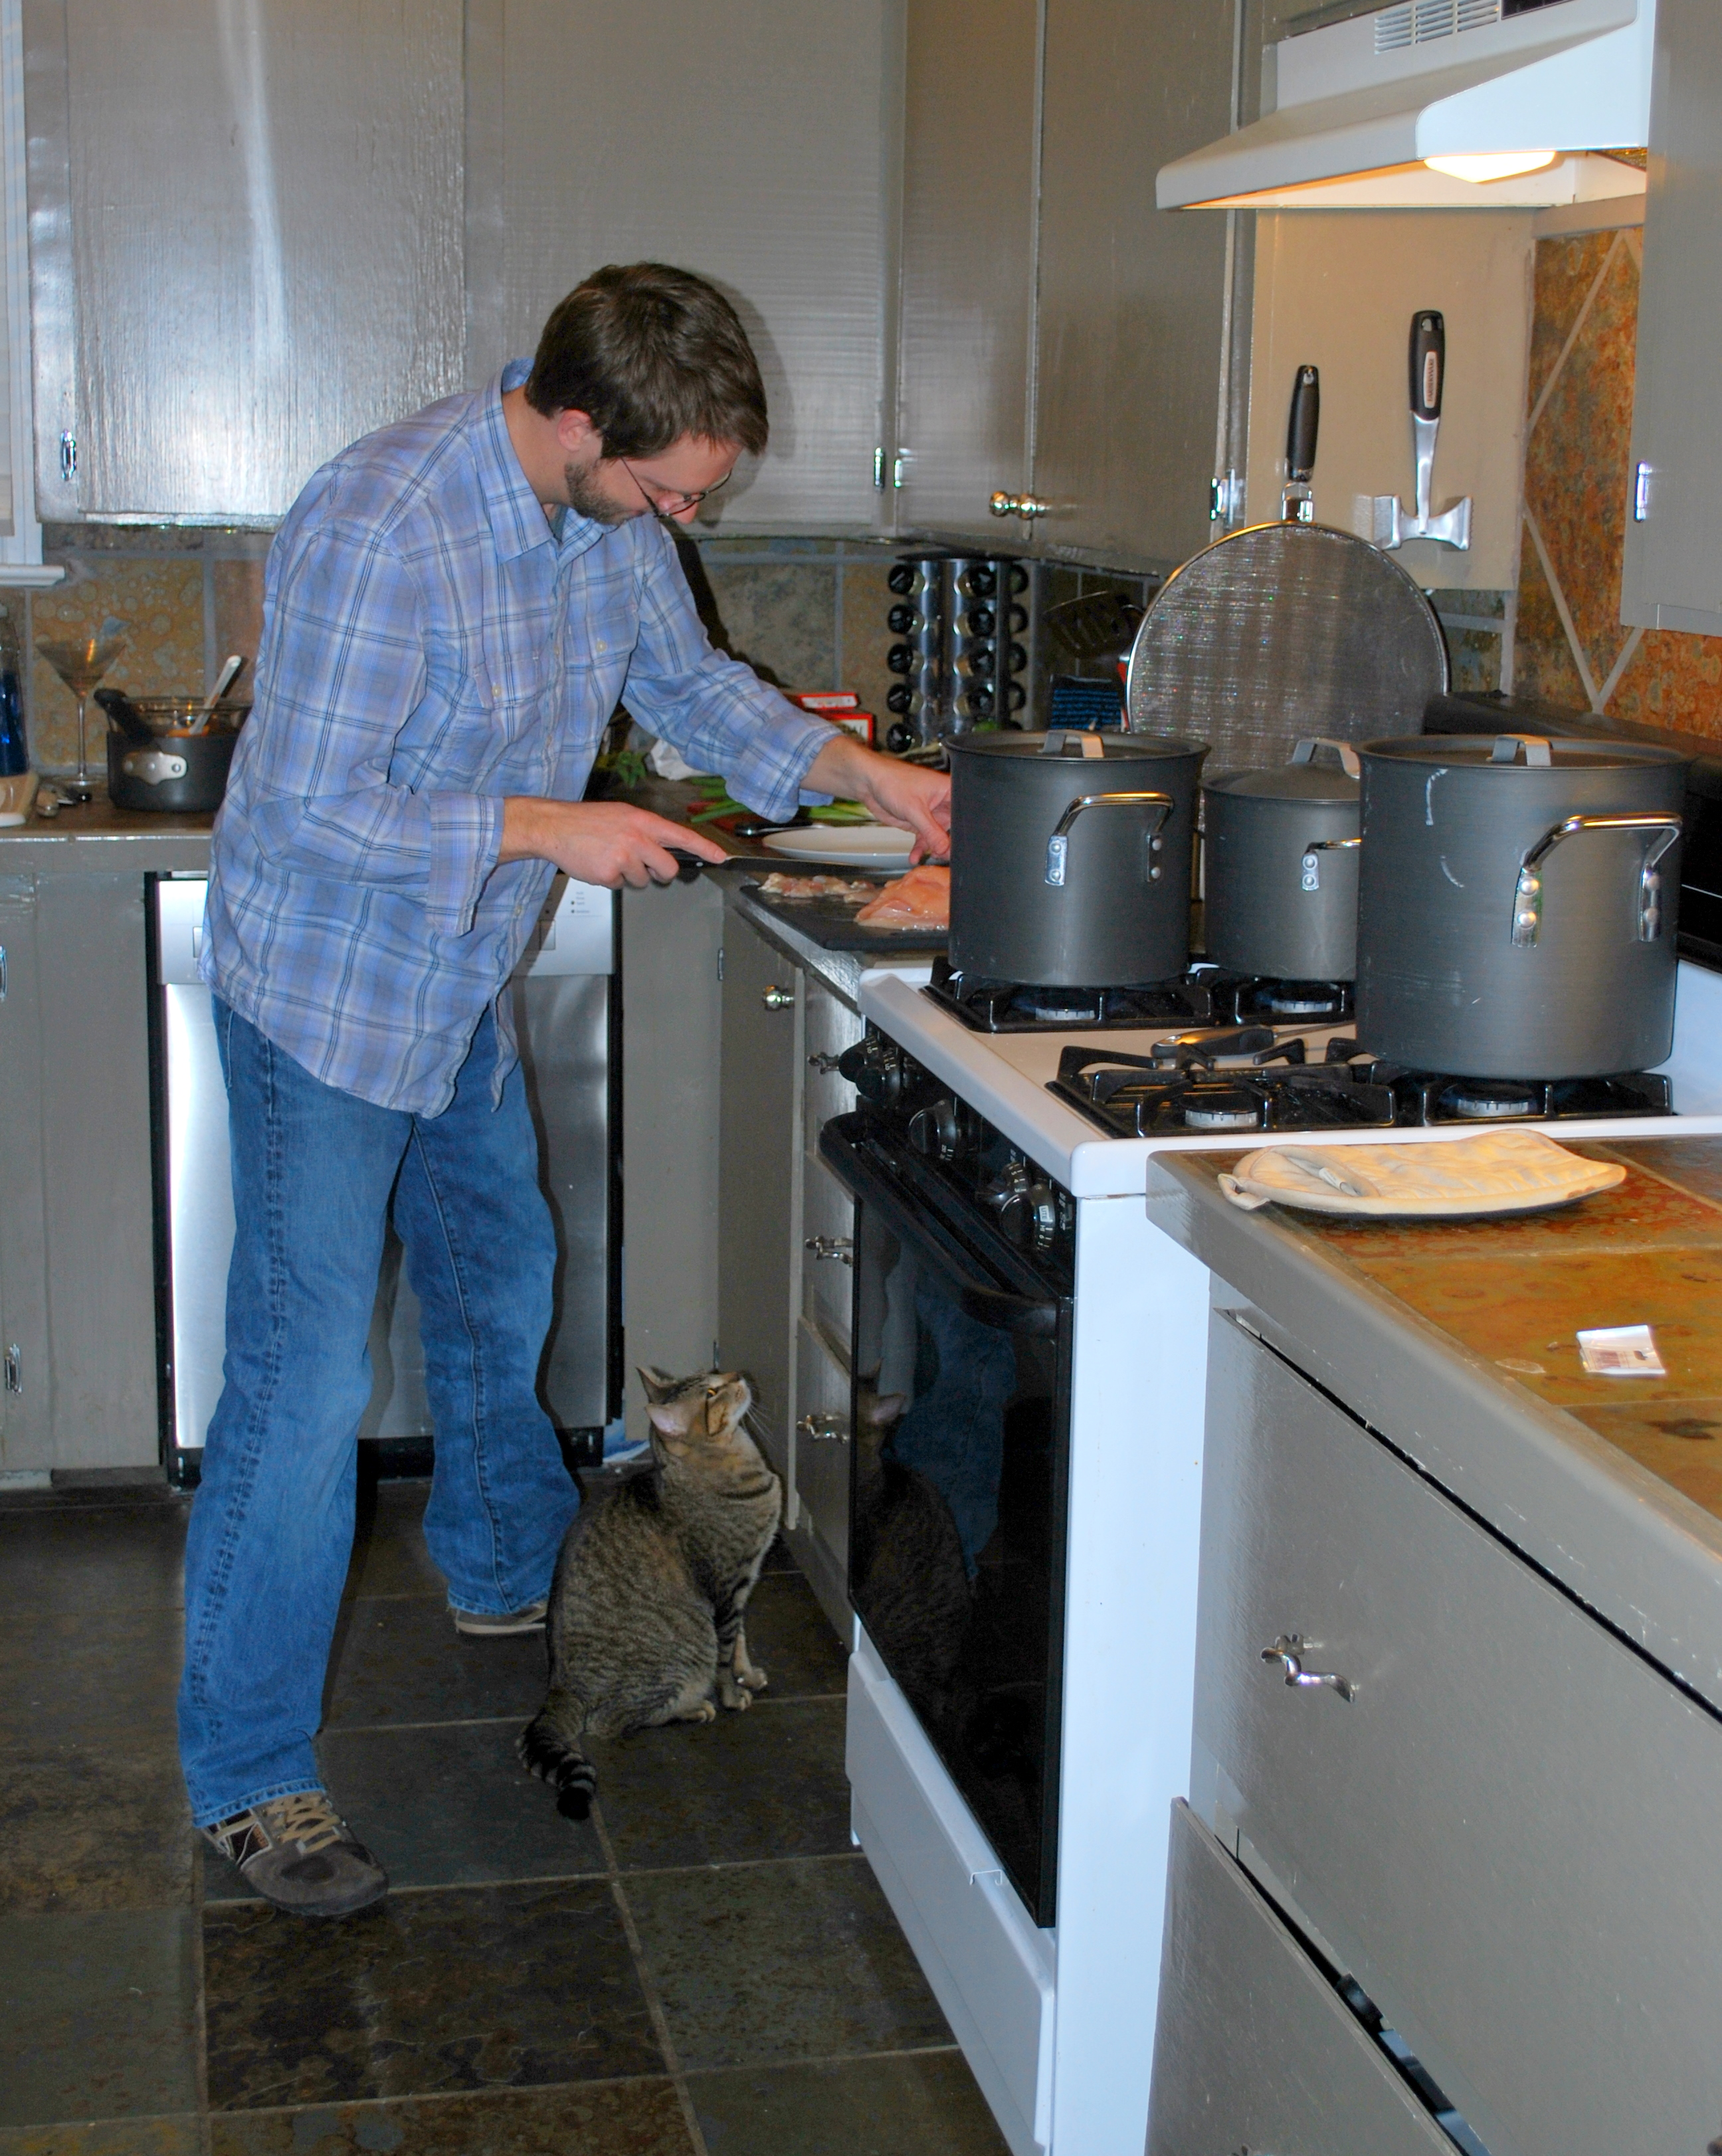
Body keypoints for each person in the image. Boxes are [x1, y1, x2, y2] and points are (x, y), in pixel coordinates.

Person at [179, 262, 951, 1918]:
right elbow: (309, 806)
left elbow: (691, 687)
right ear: (582, 424)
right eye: (672, 492)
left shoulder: (608, 524)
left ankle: (499, 1570)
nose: (686, 519)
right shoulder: (383, 522)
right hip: (325, 992)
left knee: (501, 1269)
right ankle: (248, 1777)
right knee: (303, 1385)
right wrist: (553, 826)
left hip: (457, 975)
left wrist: (867, 772)